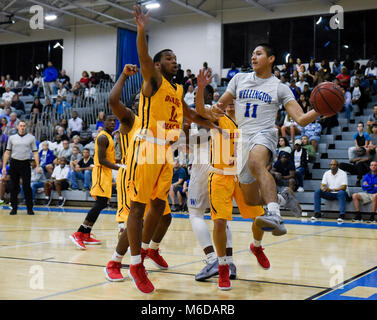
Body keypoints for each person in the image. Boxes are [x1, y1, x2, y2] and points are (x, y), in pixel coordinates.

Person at [103, 5, 222, 295]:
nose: (174, 62)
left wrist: (213, 121)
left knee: (159, 206)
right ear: (157, 65)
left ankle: (136, 253)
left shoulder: (176, 90)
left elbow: (191, 116)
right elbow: (144, 57)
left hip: (166, 152)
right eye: (169, 58)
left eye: (176, 59)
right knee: (138, 207)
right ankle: (135, 265)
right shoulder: (153, 81)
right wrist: (142, 29)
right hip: (145, 149)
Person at [211, 43, 317, 236]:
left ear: (271, 59)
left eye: (258, 54)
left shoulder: (280, 88)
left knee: (256, 163)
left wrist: (319, 110)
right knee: (250, 199)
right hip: (242, 139)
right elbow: (220, 105)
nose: (253, 57)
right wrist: (214, 109)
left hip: (265, 134)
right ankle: (282, 198)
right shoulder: (238, 79)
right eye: (252, 54)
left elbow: (301, 119)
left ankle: (275, 214)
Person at [195, 70, 268, 290]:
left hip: (243, 177)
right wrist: (200, 88)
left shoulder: (251, 123)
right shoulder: (219, 116)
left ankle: (256, 246)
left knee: (260, 219)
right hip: (219, 177)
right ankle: (224, 268)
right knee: (220, 222)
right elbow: (199, 110)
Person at [105, 66, 172, 280]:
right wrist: (124, 76)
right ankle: (115, 261)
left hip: (154, 168)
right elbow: (113, 101)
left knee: (165, 217)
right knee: (136, 220)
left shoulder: (157, 120)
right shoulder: (131, 119)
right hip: (133, 171)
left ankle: (150, 249)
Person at [70, 115, 119, 249]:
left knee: (102, 203)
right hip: (101, 173)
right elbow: (102, 160)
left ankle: (86, 234)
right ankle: (79, 233)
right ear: (103, 123)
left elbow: (110, 158)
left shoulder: (109, 137)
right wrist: (118, 168)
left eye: (114, 121)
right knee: (99, 203)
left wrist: (119, 163)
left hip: (106, 172)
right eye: (110, 120)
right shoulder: (103, 137)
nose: (113, 123)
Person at [2, 120, 40, 215]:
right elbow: (7, 152)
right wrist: (4, 166)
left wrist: (38, 165)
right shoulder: (12, 138)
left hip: (26, 163)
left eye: (24, 126)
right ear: (17, 127)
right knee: (13, 187)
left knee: (27, 186)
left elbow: (35, 152)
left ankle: (29, 208)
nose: (22, 127)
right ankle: (14, 208)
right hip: (14, 163)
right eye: (21, 126)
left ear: (26, 127)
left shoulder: (31, 138)